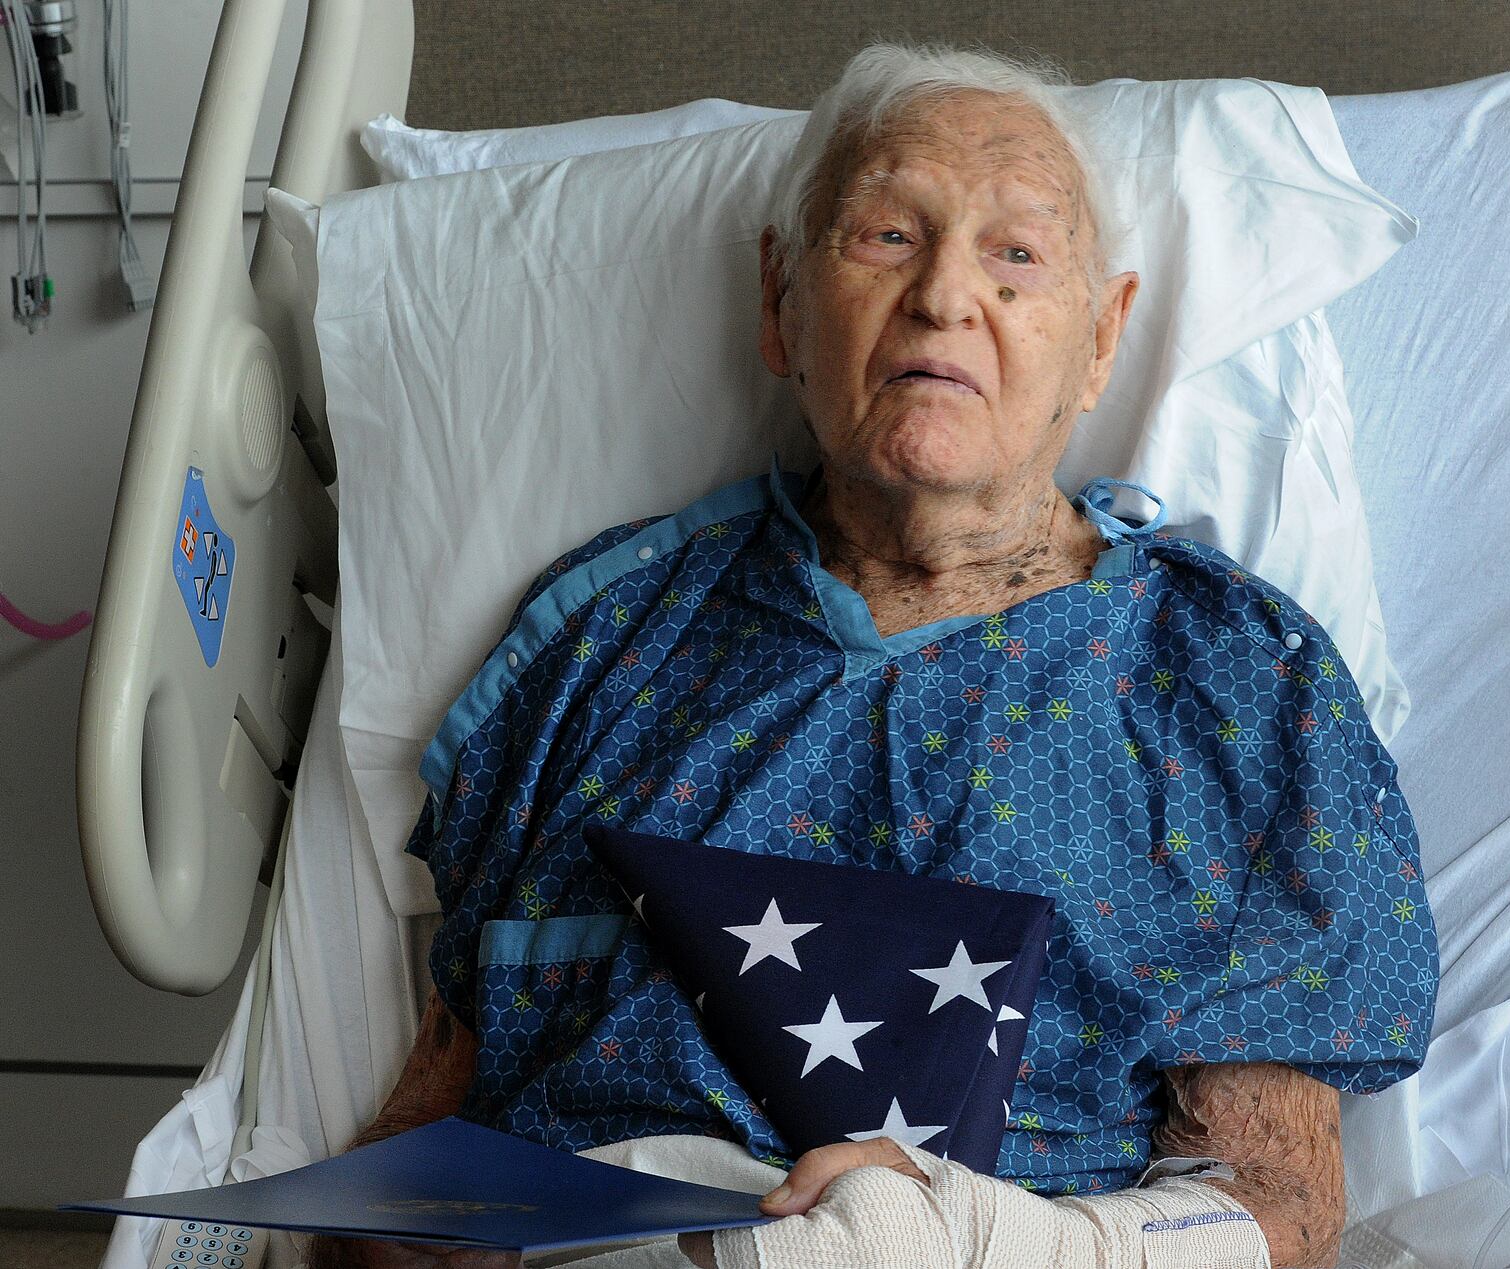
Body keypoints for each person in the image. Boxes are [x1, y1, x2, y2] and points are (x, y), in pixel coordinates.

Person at [310, 39, 1437, 1269]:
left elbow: (1279, 1208)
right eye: (887, 237)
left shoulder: (1231, 679)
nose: (944, 295)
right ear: (780, 302)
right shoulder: (602, 642)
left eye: (1015, 255)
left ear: (1100, 338)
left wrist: (985, 1240)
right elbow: (420, 1136)